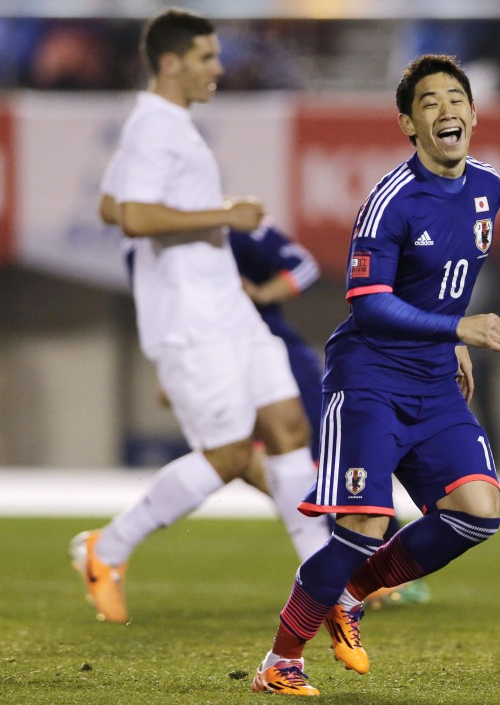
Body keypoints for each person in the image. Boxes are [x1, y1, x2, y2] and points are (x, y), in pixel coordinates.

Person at [250, 54, 500, 697]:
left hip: (434, 381)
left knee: (478, 512)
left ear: (474, 114)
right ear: (407, 125)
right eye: (429, 102)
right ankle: (280, 662)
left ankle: (352, 596)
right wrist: (456, 329)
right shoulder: (389, 201)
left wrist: (450, 339)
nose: (446, 109)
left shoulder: (489, 189)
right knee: (363, 525)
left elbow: (446, 284)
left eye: (456, 98)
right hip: (370, 379)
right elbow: (367, 301)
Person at [71, 8, 322, 625]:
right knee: (232, 455)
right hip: (190, 320)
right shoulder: (156, 128)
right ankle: (110, 546)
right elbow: (132, 217)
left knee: (289, 424)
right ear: (171, 63)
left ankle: (327, 585)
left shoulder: (163, 124)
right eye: (208, 57)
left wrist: (202, 213)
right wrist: (223, 215)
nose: (220, 67)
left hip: (226, 308)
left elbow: (110, 203)